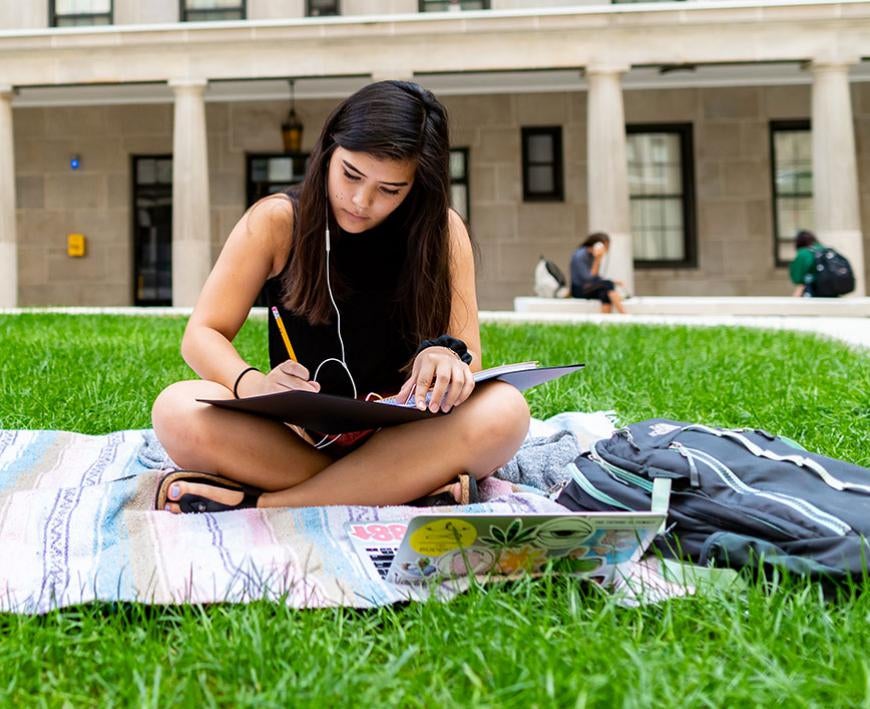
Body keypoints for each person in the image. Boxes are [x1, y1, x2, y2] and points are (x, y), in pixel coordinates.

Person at [151, 81, 530, 513]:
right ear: (330, 149)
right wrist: (253, 384)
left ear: (417, 185)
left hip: (407, 438)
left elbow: (470, 360)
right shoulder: (277, 219)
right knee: (176, 409)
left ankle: (271, 504)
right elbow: (201, 334)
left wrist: (447, 361)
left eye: (390, 189)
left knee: (507, 411)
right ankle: (403, 490)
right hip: (299, 440)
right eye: (351, 174)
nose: (360, 200)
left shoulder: (442, 232)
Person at [569, 233, 626, 314]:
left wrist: (613, 281)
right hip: (579, 290)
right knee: (608, 285)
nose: (607, 249)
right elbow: (589, 279)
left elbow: (595, 277)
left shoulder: (591, 255)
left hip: (587, 288)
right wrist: (597, 259)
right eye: (606, 246)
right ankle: (625, 315)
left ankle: (606, 322)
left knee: (605, 292)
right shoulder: (580, 256)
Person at [789, 229, 823, 297]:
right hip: (831, 294)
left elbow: (798, 280)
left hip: (813, 294)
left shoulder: (803, 253)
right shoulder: (823, 249)